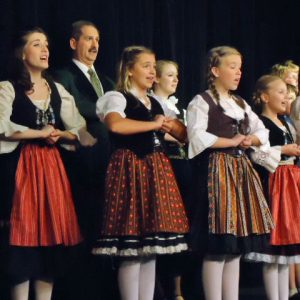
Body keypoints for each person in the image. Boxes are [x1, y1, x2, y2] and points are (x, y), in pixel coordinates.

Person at [92, 46, 189, 300]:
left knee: (150, 247)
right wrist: (154, 124)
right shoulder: (119, 97)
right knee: (132, 245)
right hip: (131, 167)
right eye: (145, 65)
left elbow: (181, 135)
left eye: (153, 65)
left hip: (155, 169)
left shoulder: (156, 102)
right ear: (130, 70)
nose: (151, 70)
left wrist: (172, 125)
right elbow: (115, 124)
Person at [0, 27, 85, 300]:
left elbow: (81, 132)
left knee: (51, 244)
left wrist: (61, 134)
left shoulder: (56, 89)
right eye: (37, 45)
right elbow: (2, 128)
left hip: (51, 170)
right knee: (23, 243)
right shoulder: (7, 88)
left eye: (46, 44)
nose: (45, 49)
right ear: (22, 53)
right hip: (21, 169)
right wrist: (40, 133)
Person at [186, 46, 274, 300]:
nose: (238, 72)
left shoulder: (240, 103)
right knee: (218, 245)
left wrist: (250, 140)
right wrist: (233, 141)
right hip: (217, 174)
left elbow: (262, 132)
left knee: (234, 247)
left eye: (239, 67)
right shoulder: (201, 101)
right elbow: (197, 136)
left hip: (240, 174)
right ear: (215, 71)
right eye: (232, 66)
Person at [53, 20, 114, 243]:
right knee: (86, 222)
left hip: (109, 159)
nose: (95, 45)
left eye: (97, 39)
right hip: (83, 160)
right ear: (73, 42)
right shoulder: (62, 76)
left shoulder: (107, 81)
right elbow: (72, 107)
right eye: (89, 38)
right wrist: (109, 113)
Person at [245, 74, 300, 300]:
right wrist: (283, 151)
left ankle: (285, 295)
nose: (286, 96)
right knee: (273, 245)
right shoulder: (261, 123)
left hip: (290, 183)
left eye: (286, 92)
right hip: (274, 183)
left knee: (285, 247)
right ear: (265, 97)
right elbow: (257, 155)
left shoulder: (285, 122)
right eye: (280, 91)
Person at [151, 60, 192, 300]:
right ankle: (157, 289)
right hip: (166, 166)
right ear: (155, 78)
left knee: (180, 229)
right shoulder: (151, 106)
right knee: (161, 228)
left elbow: (187, 137)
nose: (175, 80)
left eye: (176, 75)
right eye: (169, 75)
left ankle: (177, 290)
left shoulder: (178, 108)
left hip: (183, 166)